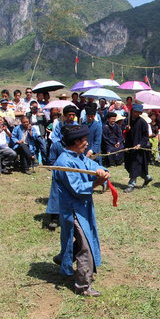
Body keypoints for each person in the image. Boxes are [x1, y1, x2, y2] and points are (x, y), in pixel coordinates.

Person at [52, 125, 110, 296]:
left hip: (83, 208)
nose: (87, 143)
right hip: (73, 210)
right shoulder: (64, 163)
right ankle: (83, 286)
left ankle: (64, 258)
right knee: (85, 246)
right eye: (84, 140)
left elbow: (89, 164)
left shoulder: (78, 156)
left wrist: (101, 170)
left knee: (80, 240)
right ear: (76, 141)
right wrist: (97, 183)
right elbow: (77, 189)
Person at [123, 104, 153, 193]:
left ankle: (131, 184)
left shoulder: (143, 123)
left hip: (138, 149)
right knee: (129, 166)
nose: (135, 114)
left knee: (134, 166)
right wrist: (126, 129)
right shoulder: (127, 120)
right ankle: (147, 178)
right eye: (134, 111)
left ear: (140, 113)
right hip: (129, 147)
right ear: (131, 111)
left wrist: (140, 144)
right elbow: (122, 129)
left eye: (137, 112)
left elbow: (145, 137)